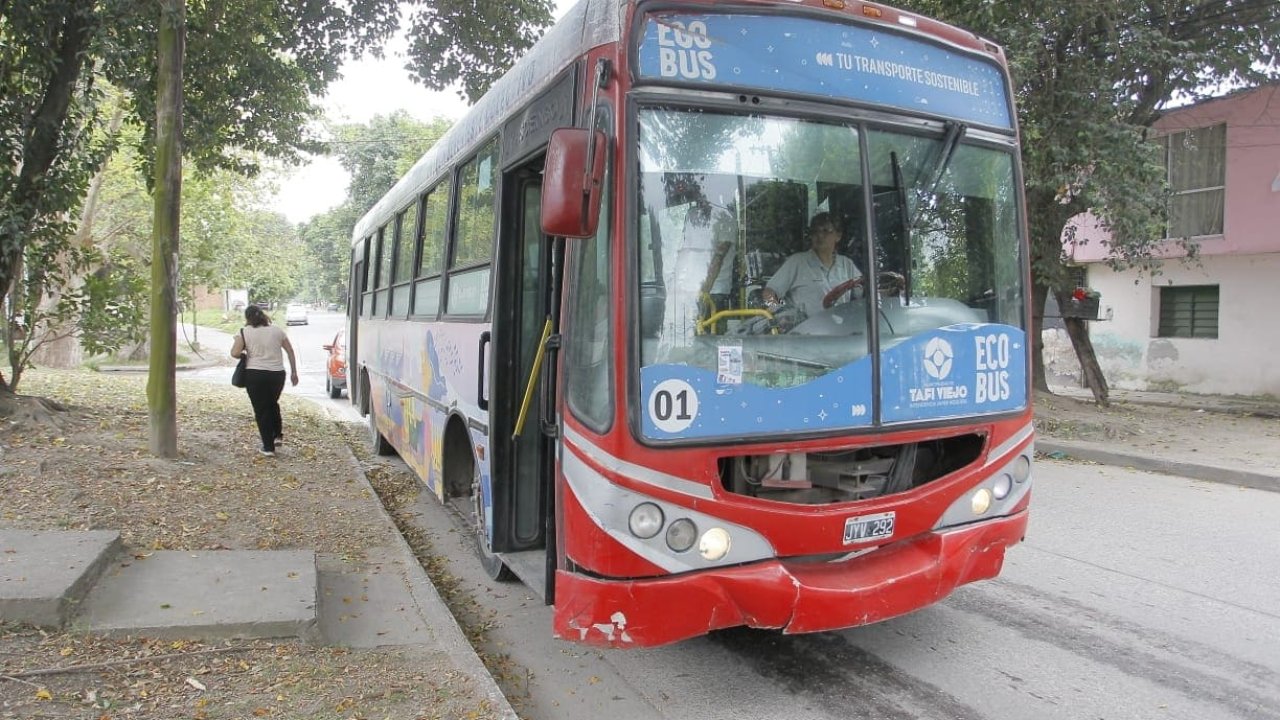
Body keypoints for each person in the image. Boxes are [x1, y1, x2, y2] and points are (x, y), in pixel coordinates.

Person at [230, 304, 299, 457]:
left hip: (255, 375)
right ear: (263, 315)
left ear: (247, 318)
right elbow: (290, 351)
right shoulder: (277, 331)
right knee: (272, 403)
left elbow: (234, 352)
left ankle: (268, 447)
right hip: (277, 375)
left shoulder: (244, 332)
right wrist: (294, 372)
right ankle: (277, 435)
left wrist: (244, 355)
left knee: (262, 410)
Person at [762, 212, 861, 317]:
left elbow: (862, 292)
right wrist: (779, 315)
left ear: (838, 236)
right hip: (806, 331)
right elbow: (768, 293)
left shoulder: (846, 264)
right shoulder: (797, 261)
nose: (819, 235)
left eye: (825, 231)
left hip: (841, 329)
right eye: (815, 231)